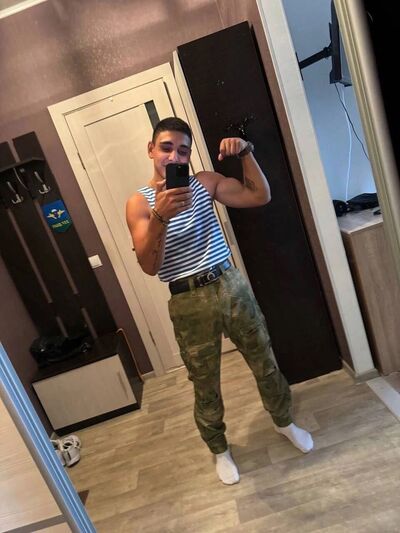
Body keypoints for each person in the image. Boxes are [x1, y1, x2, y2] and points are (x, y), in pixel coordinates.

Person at [126, 117, 313, 485]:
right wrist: (160, 215)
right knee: (205, 382)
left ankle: (284, 421)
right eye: (166, 148)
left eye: (183, 151)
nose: (174, 157)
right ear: (151, 150)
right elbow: (149, 266)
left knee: (264, 359)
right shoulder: (139, 203)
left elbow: (259, 195)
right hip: (187, 300)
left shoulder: (205, 182)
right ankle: (219, 448)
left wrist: (246, 153)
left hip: (230, 283)